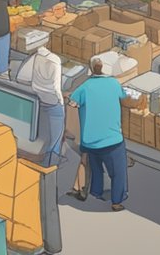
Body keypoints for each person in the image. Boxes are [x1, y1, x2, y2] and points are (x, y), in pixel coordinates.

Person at [69, 57, 141, 211]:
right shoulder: (113, 84)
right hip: (112, 140)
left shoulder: (84, 87)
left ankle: (96, 190)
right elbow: (124, 97)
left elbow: (72, 103)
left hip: (90, 141)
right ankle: (116, 201)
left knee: (96, 168)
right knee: (118, 172)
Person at [17, 46, 66, 167]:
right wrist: (61, 101)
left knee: (45, 131)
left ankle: (46, 161)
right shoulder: (55, 61)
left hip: (39, 99)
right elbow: (56, 87)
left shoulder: (35, 58)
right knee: (56, 135)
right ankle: (52, 163)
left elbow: (21, 78)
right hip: (53, 101)